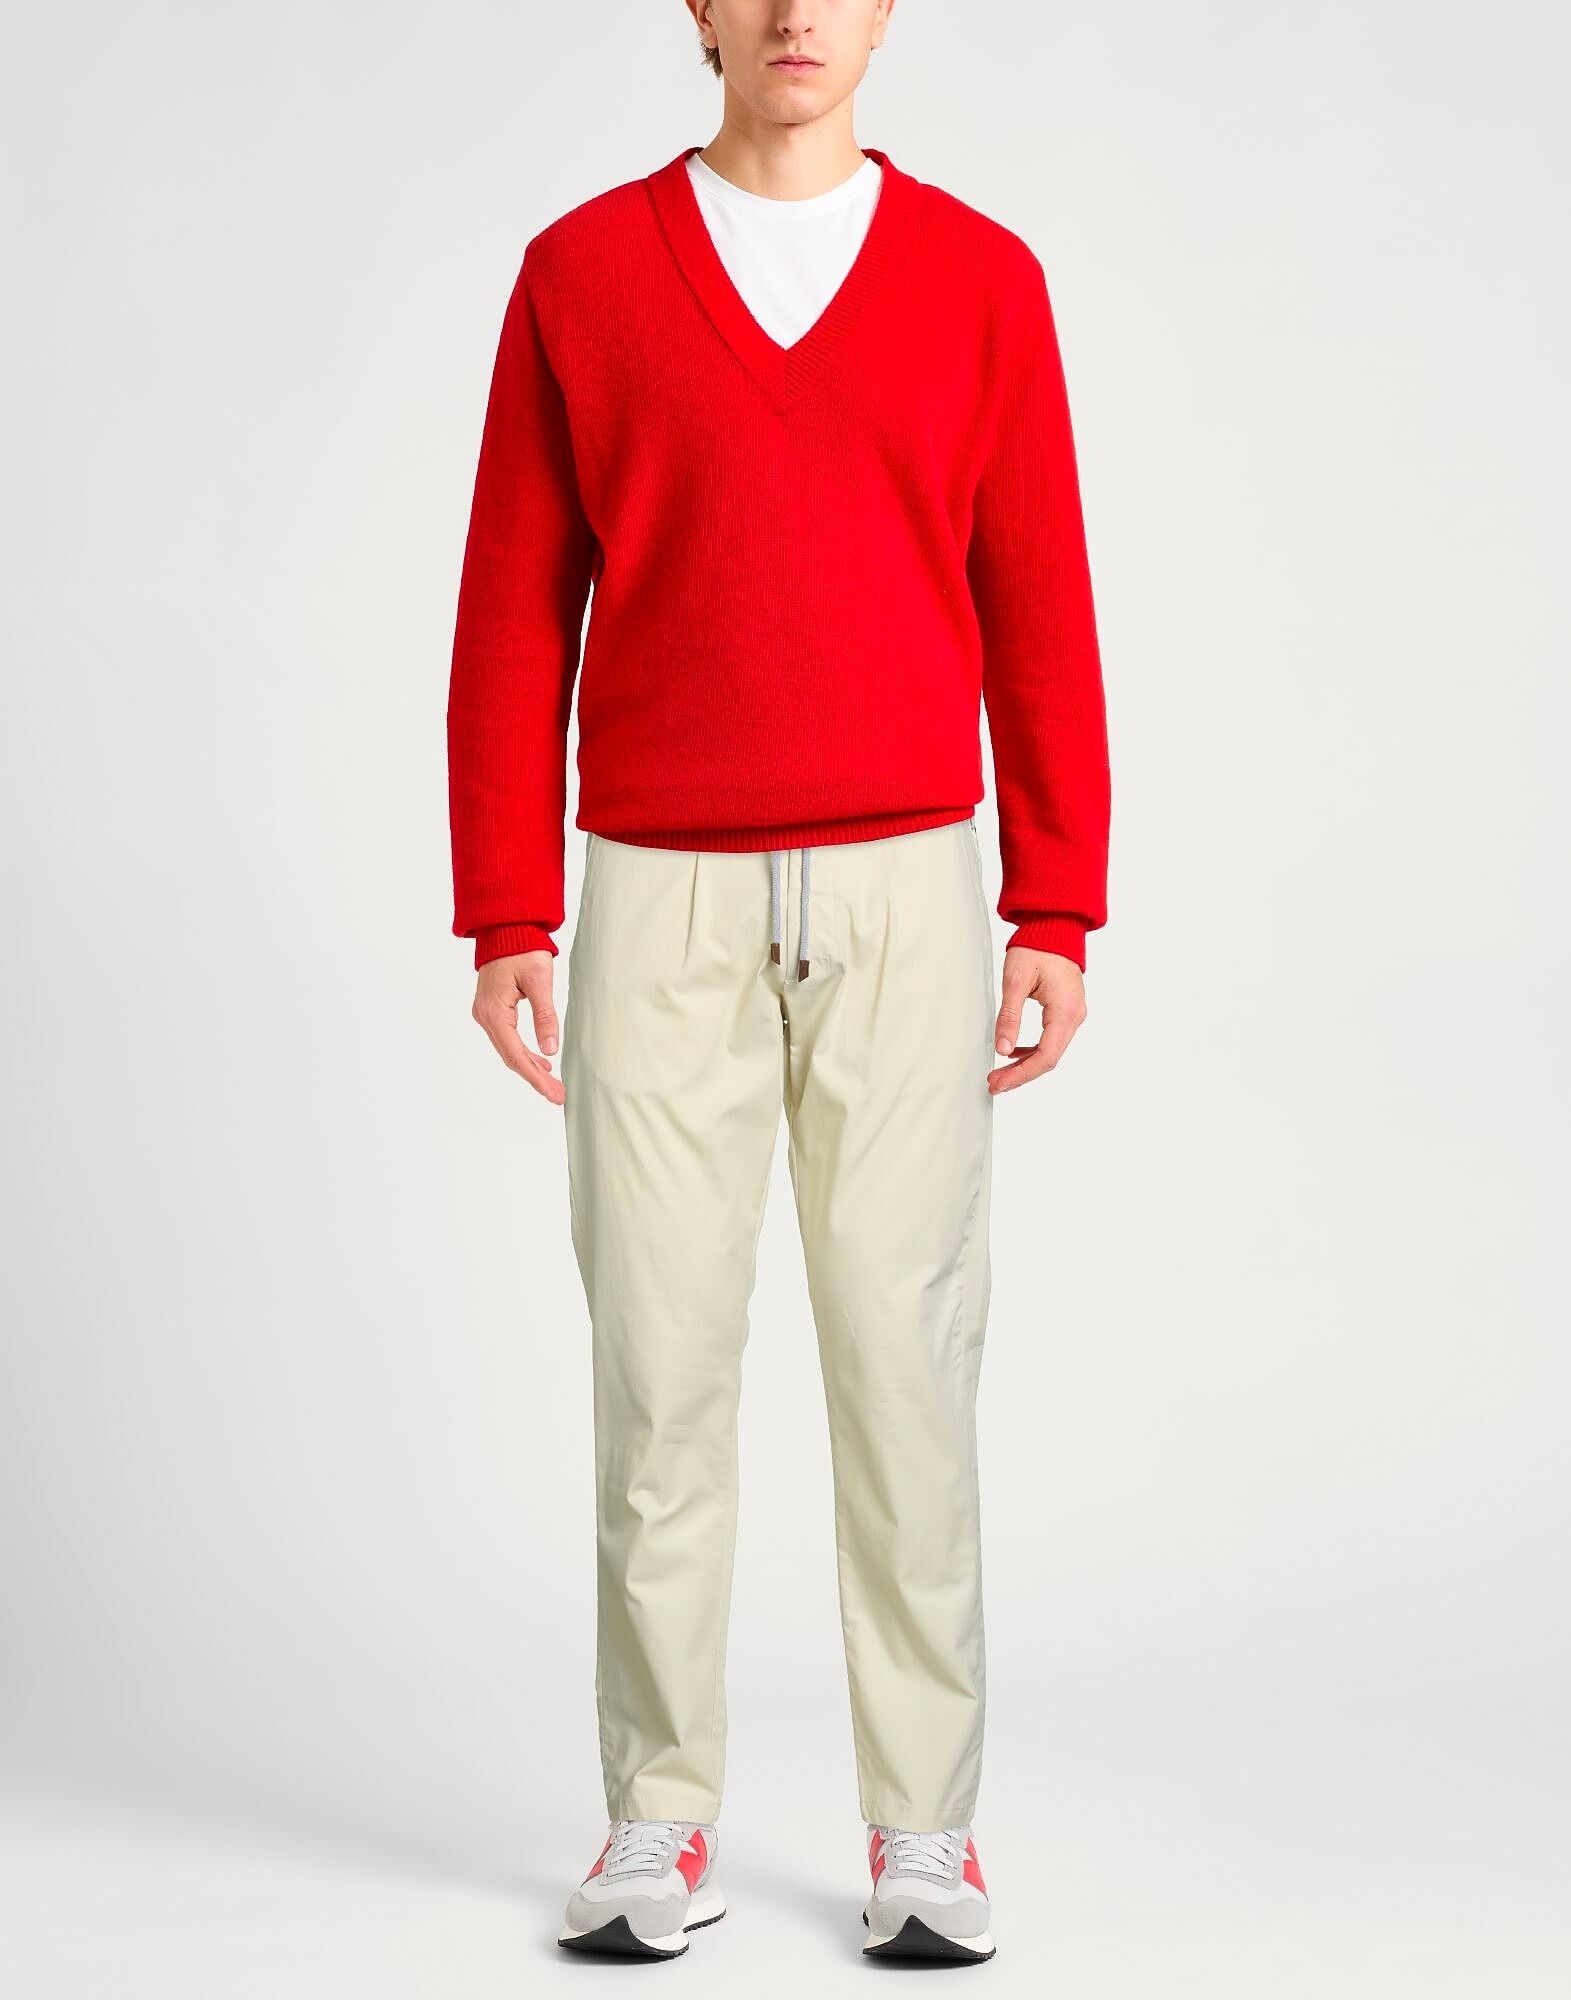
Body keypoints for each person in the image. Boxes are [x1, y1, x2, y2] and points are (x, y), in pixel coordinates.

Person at [446, 0, 1109, 1965]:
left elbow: (1037, 589)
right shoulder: (581, 278)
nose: (797, 12)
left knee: (909, 1368)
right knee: (658, 1372)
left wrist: (1056, 902)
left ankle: (927, 1831)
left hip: (909, 890)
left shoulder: (983, 282)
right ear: (698, 9)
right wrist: (508, 909)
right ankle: (657, 1819)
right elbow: (513, 601)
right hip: (655, 896)